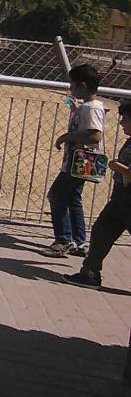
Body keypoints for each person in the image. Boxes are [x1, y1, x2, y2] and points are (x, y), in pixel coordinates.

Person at [62, 99, 131, 288]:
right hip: (120, 199)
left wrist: (118, 167)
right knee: (101, 231)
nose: (122, 123)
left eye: (125, 119)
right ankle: (90, 273)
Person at [43, 63, 106, 257]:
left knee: (56, 195)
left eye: (73, 85)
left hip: (79, 160)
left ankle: (64, 240)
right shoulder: (87, 107)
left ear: (83, 86)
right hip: (78, 161)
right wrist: (76, 110)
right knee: (72, 198)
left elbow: (95, 136)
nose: (71, 88)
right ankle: (79, 241)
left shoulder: (92, 108)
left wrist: (66, 137)